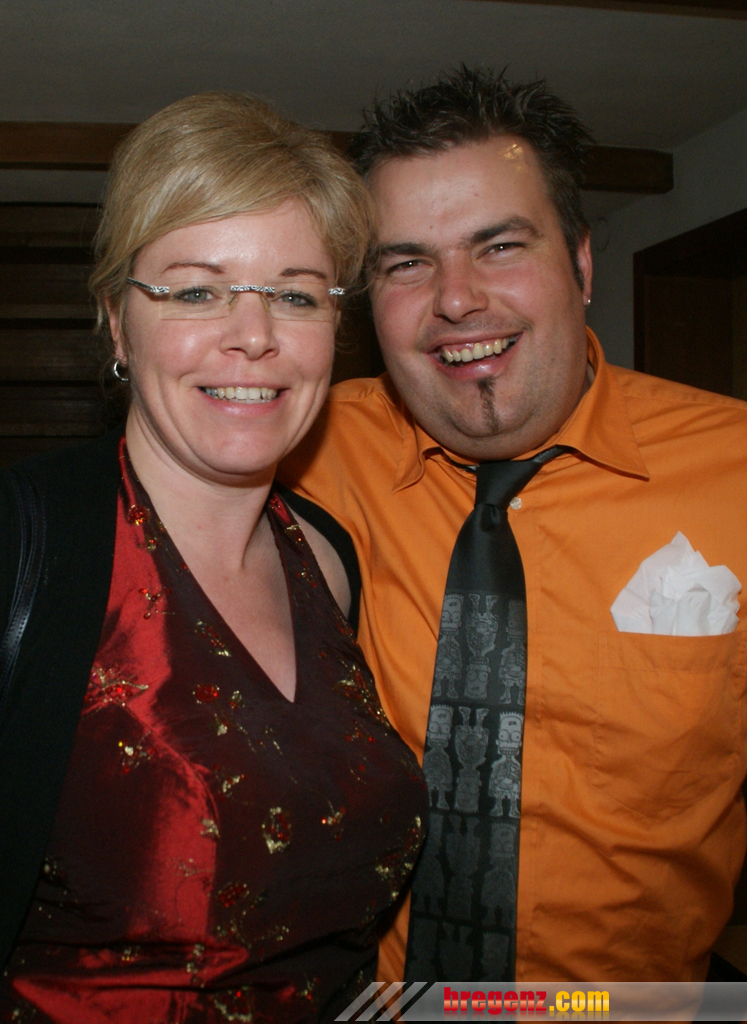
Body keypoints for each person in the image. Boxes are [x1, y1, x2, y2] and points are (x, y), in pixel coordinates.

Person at [280, 66, 747, 984]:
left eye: (497, 246)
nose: (455, 299)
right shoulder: (300, 449)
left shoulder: (734, 471)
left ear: (580, 265)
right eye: (406, 263)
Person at [0, 92, 426, 1023]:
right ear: (117, 322)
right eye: (196, 290)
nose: (255, 334)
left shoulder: (327, 556)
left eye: (295, 294)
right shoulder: (24, 543)